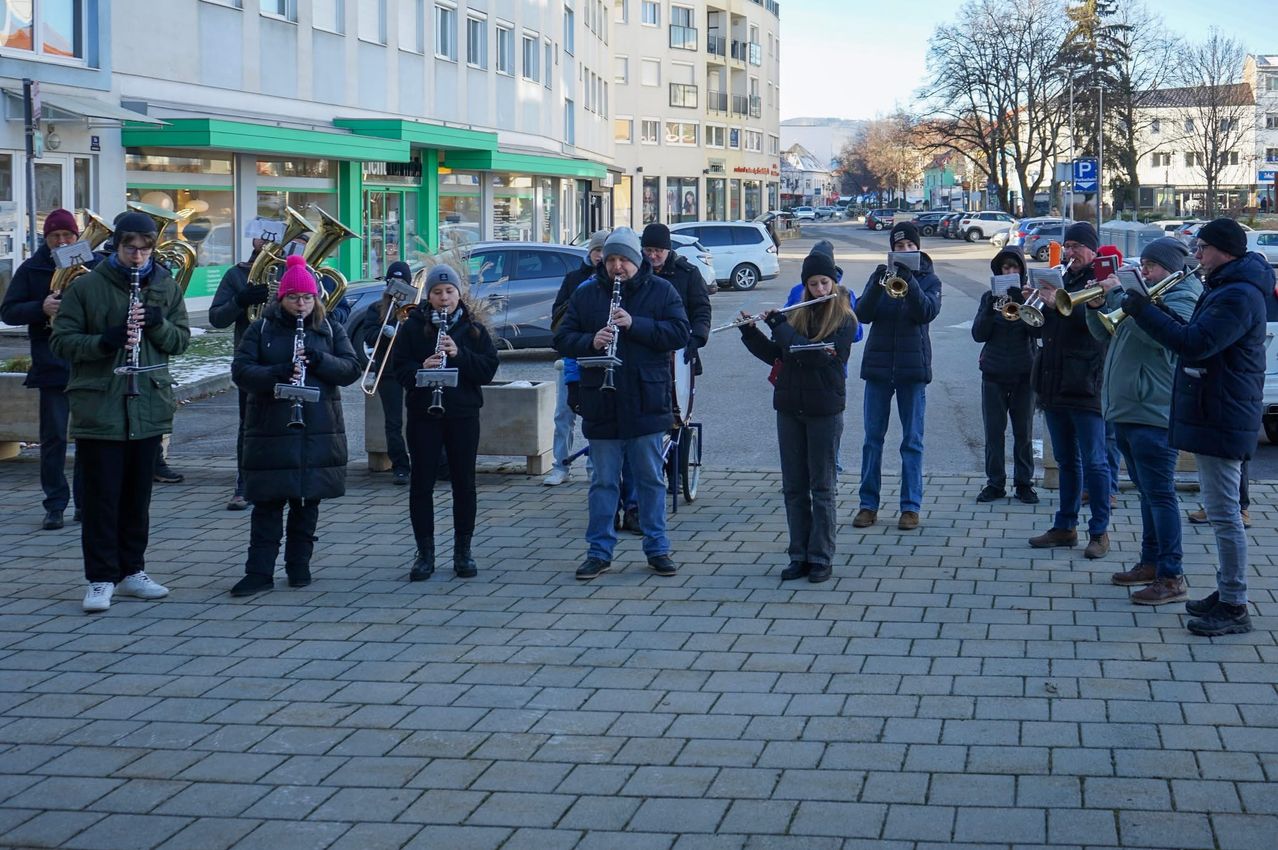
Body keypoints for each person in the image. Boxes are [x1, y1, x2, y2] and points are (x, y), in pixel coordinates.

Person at [1123, 218, 1269, 635]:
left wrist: (1145, 311)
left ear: (1224, 250)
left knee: (1225, 516)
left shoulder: (1237, 294)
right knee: (1221, 511)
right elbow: (1193, 333)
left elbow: (1195, 343)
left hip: (1223, 413)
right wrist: (1153, 309)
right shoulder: (1227, 286)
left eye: (1202, 247)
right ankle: (1226, 592)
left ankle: (1235, 604)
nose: (1197, 255)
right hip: (1216, 409)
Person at [50, 211, 191, 613]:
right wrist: (106, 341)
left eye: (145, 249)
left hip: (146, 403)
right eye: (130, 248)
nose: (138, 256)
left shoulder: (164, 285)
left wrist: (158, 326)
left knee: (136, 498)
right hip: (102, 406)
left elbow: (180, 341)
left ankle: (133, 571)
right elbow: (63, 342)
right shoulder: (87, 286)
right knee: (100, 500)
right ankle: (100, 578)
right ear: (116, 247)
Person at [553, 227, 690, 580]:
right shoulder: (586, 295)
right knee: (603, 482)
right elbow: (563, 338)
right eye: (611, 259)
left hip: (646, 399)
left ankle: (658, 548)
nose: (617, 267)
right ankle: (599, 551)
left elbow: (679, 333)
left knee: (650, 479)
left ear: (637, 260)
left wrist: (635, 324)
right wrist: (590, 340)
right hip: (602, 399)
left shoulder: (662, 290)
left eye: (623, 260)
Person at [228, 254, 360, 596]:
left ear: (315, 298)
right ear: (280, 298)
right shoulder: (262, 329)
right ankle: (258, 573)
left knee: (306, 503)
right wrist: (274, 373)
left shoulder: (329, 328)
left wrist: (320, 360)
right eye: (293, 297)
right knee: (268, 505)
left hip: (316, 429)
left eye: (306, 298)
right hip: (271, 429)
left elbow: (350, 369)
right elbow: (240, 372)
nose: (300, 304)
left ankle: (299, 566)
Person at [1085, 237, 1201, 604]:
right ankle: (1150, 562)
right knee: (1148, 495)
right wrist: (1097, 305)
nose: (1145, 271)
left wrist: (1125, 299)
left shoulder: (1183, 296)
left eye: (1151, 266)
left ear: (1170, 268)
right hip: (1130, 409)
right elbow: (1105, 332)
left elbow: (1162, 338)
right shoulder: (1145, 295)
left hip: (1155, 410)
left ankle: (1172, 574)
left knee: (1161, 495)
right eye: (1145, 265)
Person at [738, 249, 857, 583]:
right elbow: (780, 355)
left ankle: (821, 557)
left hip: (824, 410)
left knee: (822, 488)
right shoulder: (796, 316)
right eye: (813, 284)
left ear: (833, 283)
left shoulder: (845, 320)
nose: (819, 289)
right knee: (793, 488)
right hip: (790, 407)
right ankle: (799, 555)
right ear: (805, 287)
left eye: (824, 283)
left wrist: (779, 326)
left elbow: (815, 357)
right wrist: (750, 333)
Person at [394, 265, 500, 581]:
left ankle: (462, 551)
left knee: (464, 483)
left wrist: (459, 354)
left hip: (462, 415)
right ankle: (424, 553)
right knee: (421, 483)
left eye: (449, 292)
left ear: (458, 294)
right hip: (424, 415)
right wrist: (420, 371)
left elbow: (487, 370)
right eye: (437, 293)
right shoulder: (412, 328)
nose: (444, 298)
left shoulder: (473, 330)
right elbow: (399, 370)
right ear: (429, 296)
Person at [1026, 221, 1111, 559]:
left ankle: (1100, 532)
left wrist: (1056, 303)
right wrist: (1035, 305)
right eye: (1068, 245)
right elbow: (1047, 327)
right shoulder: (1058, 277)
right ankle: (1065, 526)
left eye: (1078, 246)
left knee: (1095, 462)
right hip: (1054, 382)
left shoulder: (1100, 282)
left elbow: (1097, 327)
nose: (1071, 252)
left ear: (1092, 250)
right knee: (1065, 460)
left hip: (1087, 383)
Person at [853, 220, 942, 531]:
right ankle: (868, 505)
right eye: (899, 246)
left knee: (912, 441)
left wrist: (910, 282)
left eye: (909, 246)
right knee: (872, 441)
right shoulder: (879, 275)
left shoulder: (930, 280)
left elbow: (926, 313)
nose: (904, 250)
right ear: (891, 249)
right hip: (878, 368)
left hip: (913, 369)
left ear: (918, 248)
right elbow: (862, 314)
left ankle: (910, 507)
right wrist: (880, 284)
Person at [0, 209, 85, 530]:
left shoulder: (92, 264)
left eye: (68, 236)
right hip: (51, 364)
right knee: (53, 441)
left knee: (89, 439)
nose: (62, 241)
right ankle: (55, 505)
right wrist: (41, 307)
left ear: (77, 237)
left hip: (88, 362)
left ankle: (86, 504)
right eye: (55, 237)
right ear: (46, 239)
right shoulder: (32, 268)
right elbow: (8, 311)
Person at [208, 217, 276, 509]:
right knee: (248, 425)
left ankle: (280, 481)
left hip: (287, 359)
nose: (267, 242)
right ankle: (244, 484)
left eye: (273, 238)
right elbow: (217, 318)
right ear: (254, 241)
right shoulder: (236, 275)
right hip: (250, 361)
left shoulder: (291, 270)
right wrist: (241, 299)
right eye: (262, 237)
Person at [971, 246, 1038, 504]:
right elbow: (979, 335)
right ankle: (995, 483)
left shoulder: (1029, 297)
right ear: (999, 271)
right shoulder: (989, 296)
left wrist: (1023, 305)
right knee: (994, 432)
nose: (1010, 271)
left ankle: (1024, 484)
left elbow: (1039, 333)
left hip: (1023, 373)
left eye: (1015, 267)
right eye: (1005, 268)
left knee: (1024, 432)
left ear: (1022, 271)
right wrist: (989, 309)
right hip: (994, 373)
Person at [544, 229, 608, 486]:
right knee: (564, 414)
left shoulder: (616, 279)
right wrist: (580, 302)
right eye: (596, 251)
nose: (600, 257)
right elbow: (558, 317)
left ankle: (595, 467)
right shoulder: (574, 279)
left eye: (605, 251)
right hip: (573, 354)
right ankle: (560, 465)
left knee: (597, 414)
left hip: (600, 356)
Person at [360, 261, 416, 485]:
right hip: (389, 372)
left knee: (418, 420)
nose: (398, 286)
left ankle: (427, 462)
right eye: (394, 282)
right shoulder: (376, 309)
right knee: (393, 423)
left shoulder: (416, 309)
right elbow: (368, 336)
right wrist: (385, 331)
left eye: (403, 283)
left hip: (413, 370)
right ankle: (400, 466)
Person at [640, 223, 712, 373]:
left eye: (658, 251)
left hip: (679, 347)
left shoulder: (688, 273)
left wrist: (697, 337)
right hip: (643, 347)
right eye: (648, 250)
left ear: (668, 249)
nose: (653, 256)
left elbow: (701, 309)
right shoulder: (635, 272)